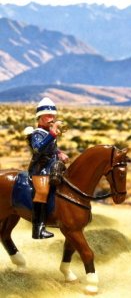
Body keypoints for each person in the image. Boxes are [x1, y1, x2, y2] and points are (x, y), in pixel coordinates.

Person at [28, 97, 69, 239]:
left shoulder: (49, 133)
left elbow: (52, 149)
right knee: (42, 191)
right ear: (40, 117)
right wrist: (52, 134)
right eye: (48, 115)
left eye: (53, 115)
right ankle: (38, 228)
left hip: (52, 167)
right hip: (39, 169)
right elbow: (37, 149)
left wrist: (60, 153)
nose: (52, 118)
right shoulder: (37, 133)